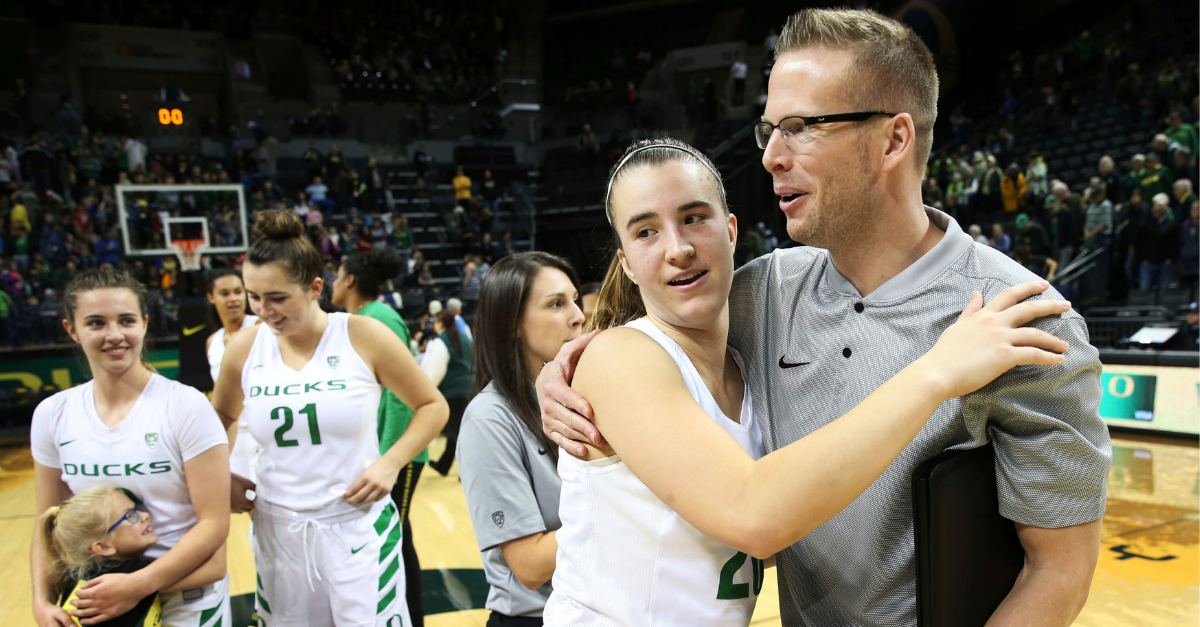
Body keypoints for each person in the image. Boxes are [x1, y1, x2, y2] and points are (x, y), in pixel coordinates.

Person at [540, 10, 1108, 627]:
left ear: (894, 139)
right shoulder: (766, 293)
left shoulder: (1023, 319)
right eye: (769, 131)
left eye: (800, 127)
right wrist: (573, 363)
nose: (772, 158)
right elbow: (662, 324)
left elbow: (1059, 571)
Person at [210, 210, 449, 627]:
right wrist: (220, 476)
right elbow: (221, 420)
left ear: (316, 287)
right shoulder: (245, 349)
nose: (263, 310)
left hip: (356, 525)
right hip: (277, 528)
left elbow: (433, 406)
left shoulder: (362, 335)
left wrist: (390, 462)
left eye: (278, 297)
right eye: (254, 296)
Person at [30, 267, 232, 627]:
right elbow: (49, 524)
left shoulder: (185, 406)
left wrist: (139, 585)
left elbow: (214, 525)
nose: (114, 335)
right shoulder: (53, 414)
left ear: (144, 323)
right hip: (101, 600)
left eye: (126, 320)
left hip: (186, 599)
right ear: (71, 330)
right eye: (96, 323)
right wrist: (42, 600)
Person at [458, 252, 585, 626]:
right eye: (556, 304)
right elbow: (530, 565)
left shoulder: (582, 394)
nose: (577, 314)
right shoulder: (489, 419)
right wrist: (624, 507)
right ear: (512, 324)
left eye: (574, 299)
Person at [330, 249, 428, 627]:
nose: (334, 282)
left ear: (350, 280)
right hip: (384, 454)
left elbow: (403, 400)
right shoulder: (360, 319)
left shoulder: (380, 317)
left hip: (397, 455)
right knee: (396, 538)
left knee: (396, 540)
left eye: (337, 275)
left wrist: (388, 458)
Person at [40, 484, 229, 627]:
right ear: (103, 547)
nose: (144, 516)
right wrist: (214, 519)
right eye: (130, 515)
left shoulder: (75, 578)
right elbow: (213, 569)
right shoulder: (130, 573)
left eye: (138, 509)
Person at [204, 269, 261, 514]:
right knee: (247, 504)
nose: (233, 299)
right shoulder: (212, 342)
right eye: (224, 293)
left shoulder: (259, 327)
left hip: (264, 430)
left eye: (239, 292)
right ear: (211, 297)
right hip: (235, 435)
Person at [422, 308, 475, 477]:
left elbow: (435, 372)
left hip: (453, 394)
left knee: (458, 433)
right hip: (471, 390)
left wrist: (426, 392)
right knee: (459, 431)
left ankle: (469, 471)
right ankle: (444, 465)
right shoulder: (465, 338)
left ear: (441, 323)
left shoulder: (441, 341)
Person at [1134, 194, 1181, 303]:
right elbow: (1138, 242)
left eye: (1161, 207)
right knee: (1144, 289)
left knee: (1163, 290)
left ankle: (1160, 312)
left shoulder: (1172, 225)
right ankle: (1144, 313)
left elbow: (1175, 243)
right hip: (1148, 262)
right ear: (1152, 209)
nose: (1159, 209)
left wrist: (1171, 258)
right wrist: (1143, 258)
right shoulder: (1146, 224)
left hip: (1165, 262)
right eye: (1157, 206)